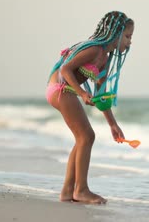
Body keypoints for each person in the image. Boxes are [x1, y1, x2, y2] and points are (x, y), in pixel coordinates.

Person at [46, 11, 134, 204]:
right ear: (115, 33)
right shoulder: (95, 50)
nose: (130, 42)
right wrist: (82, 93)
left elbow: (101, 94)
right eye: (127, 36)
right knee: (87, 136)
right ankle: (81, 190)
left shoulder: (106, 58)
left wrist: (113, 124)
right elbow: (65, 69)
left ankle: (68, 191)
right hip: (61, 89)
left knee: (82, 139)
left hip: (64, 90)